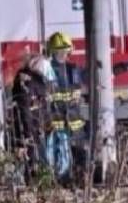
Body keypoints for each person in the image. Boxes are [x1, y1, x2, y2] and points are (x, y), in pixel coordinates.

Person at [43, 32, 86, 180]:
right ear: (51, 52)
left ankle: (64, 179)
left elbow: (94, 75)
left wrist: (123, 67)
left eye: (64, 51)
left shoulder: (73, 70)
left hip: (70, 123)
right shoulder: (46, 71)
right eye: (58, 52)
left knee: (66, 157)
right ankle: (55, 180)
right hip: (54, 123)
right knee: (51, 156)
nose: (61, 55)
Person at [8, 49, 55, 177]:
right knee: (27, 161)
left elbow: (42, 106)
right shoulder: (27, 83)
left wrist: (47, 123)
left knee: (35, 160)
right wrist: (27, 133)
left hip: (35, 129)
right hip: (29, 130)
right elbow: (24, 110)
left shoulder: (37, 82)